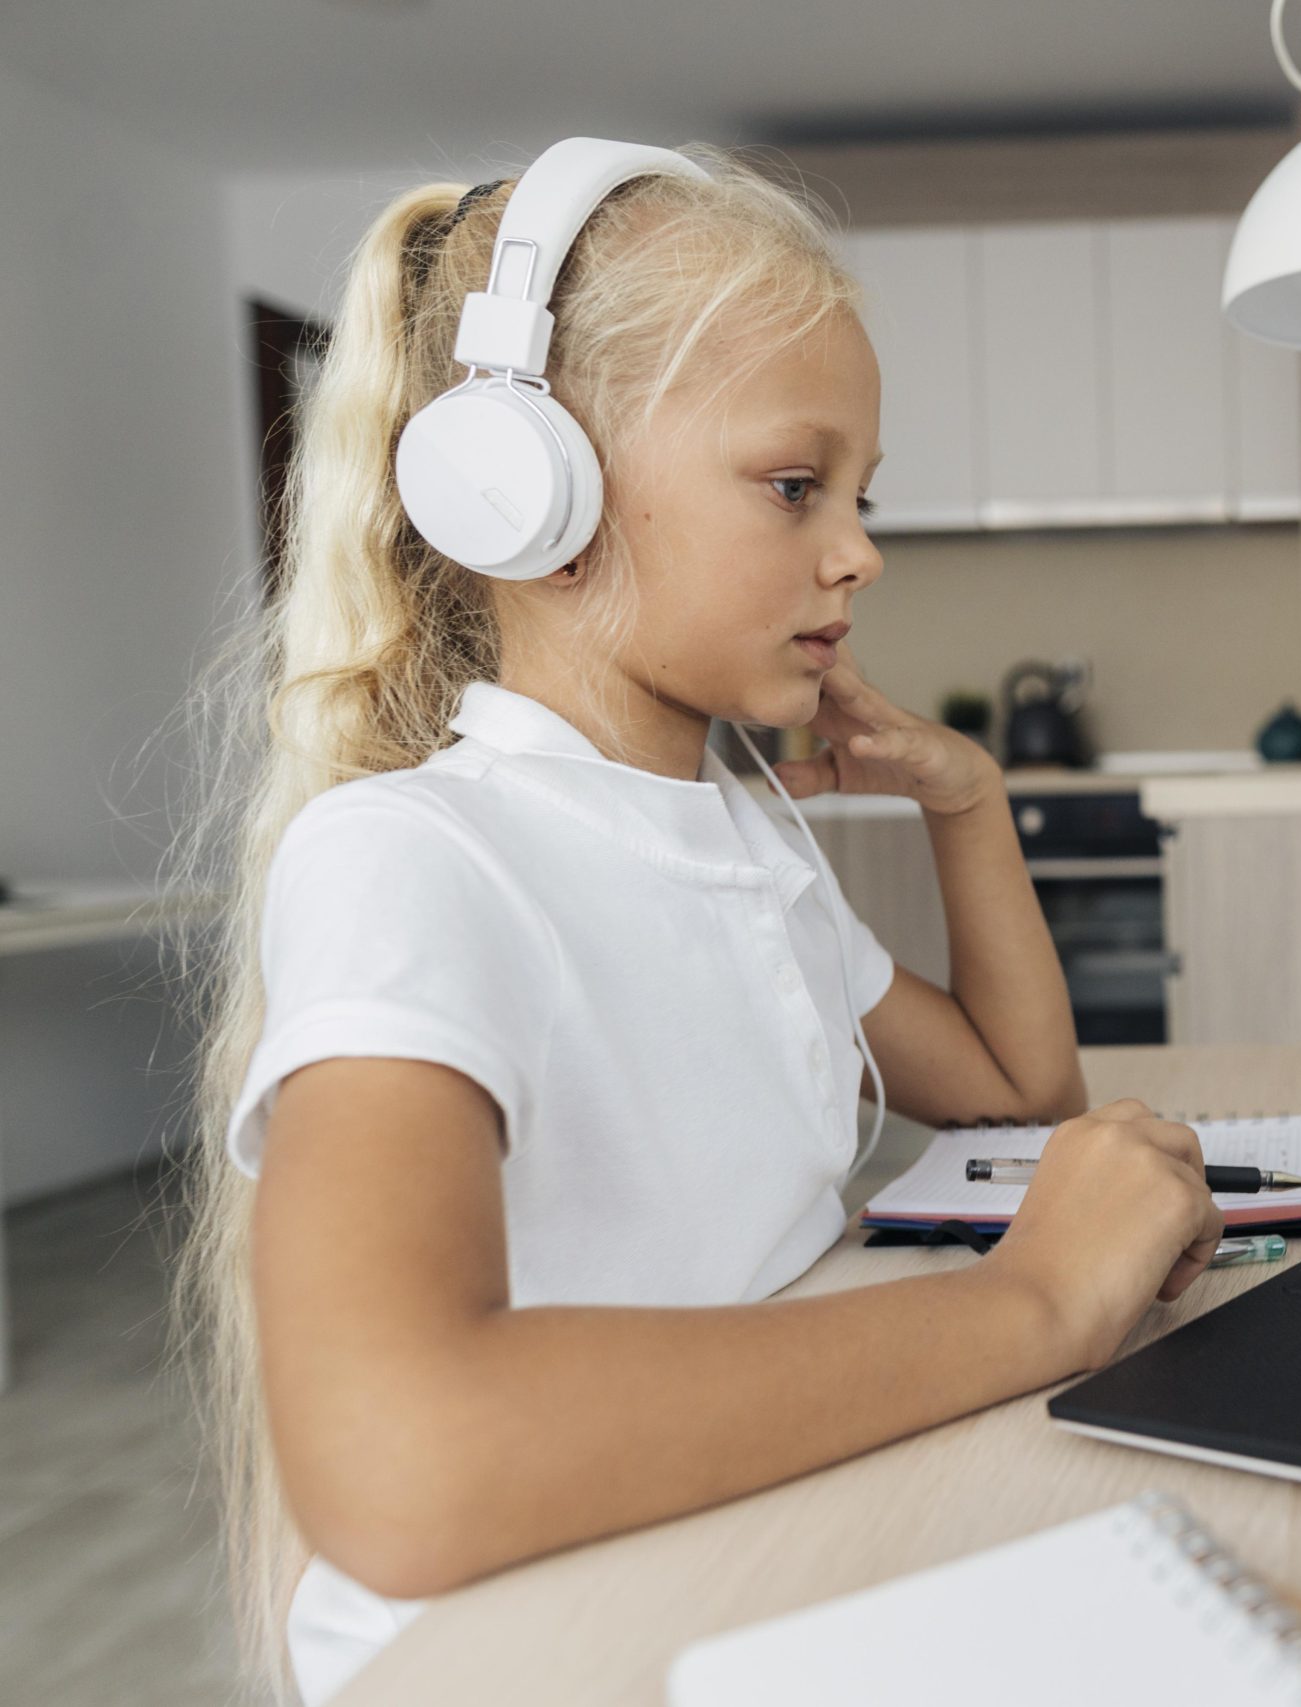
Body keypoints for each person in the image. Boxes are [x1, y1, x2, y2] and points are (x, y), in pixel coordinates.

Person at [170, 142, 1225, 1705]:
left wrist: (968, 803)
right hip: (529, 1651)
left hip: (733, 1555)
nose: (859, 547)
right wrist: (1031, 1302)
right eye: (797, 485)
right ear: (532, 481)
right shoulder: (414, 860)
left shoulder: (741, 843)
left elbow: (1015, 1088)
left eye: (863, 497)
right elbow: (401, 1464)